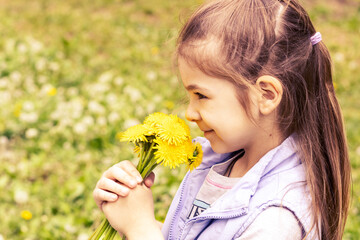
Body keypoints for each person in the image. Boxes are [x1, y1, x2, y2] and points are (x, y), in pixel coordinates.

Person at [92, 0, 351, 239]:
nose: (189, 114)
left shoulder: (277, 221)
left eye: (201, 95)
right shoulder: (230, 162)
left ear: (266, 95)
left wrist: (140, 227)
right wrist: (130, 212)